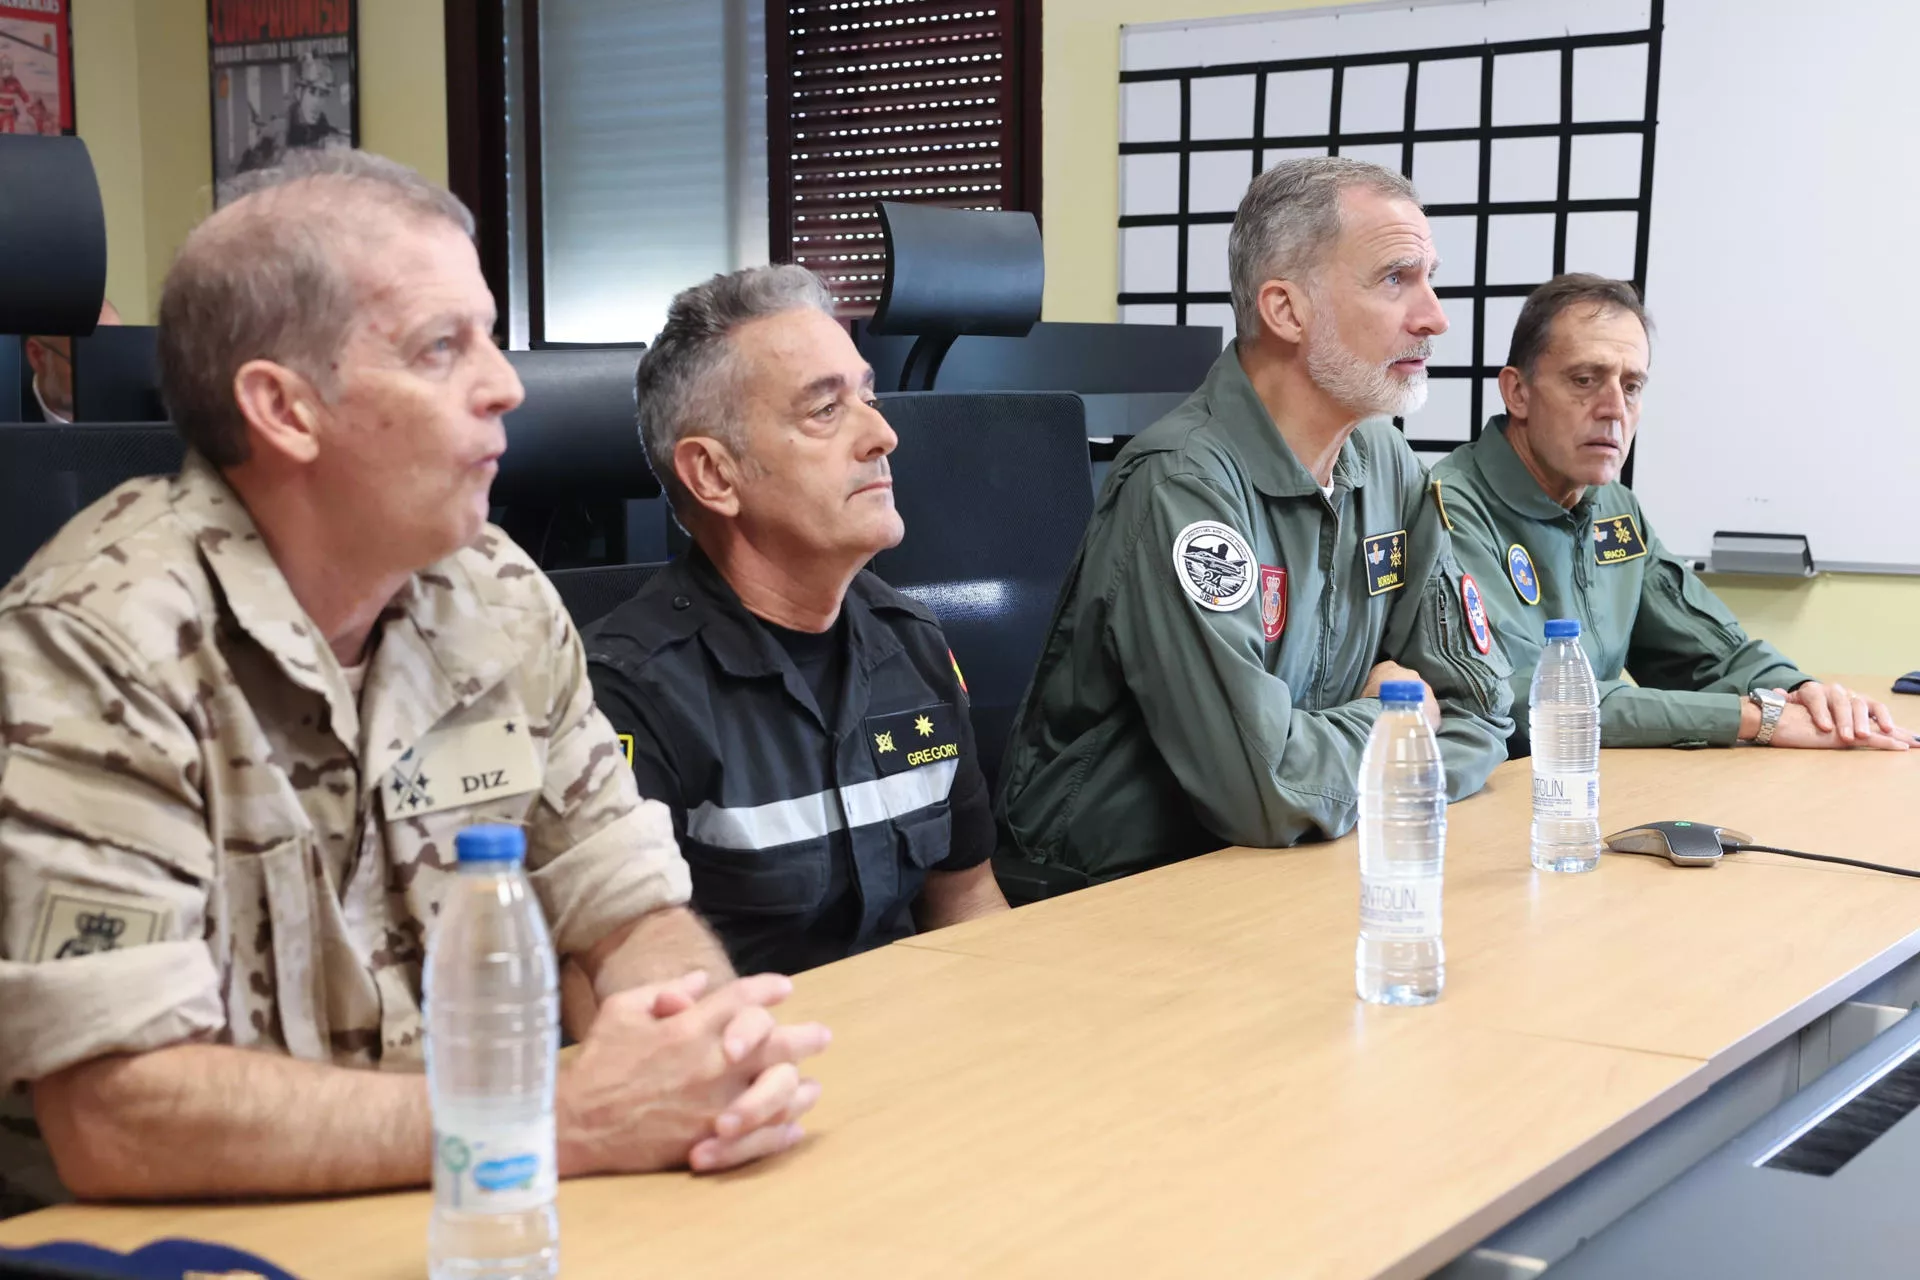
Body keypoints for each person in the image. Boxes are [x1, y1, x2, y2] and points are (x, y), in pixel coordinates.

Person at [0, 150, 828, 1216]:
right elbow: (120, 1113)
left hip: (459, 1199)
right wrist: (561, 1115)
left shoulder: (496, 594)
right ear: (285, 409)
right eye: (444, 347)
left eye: (487, 334)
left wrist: (708, 1050)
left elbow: (624, 905)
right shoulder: (93, 644)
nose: (506, 384)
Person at [995, 157, 1514, 884]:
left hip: (1296, 861)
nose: (1434, 315)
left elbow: (1484, 708)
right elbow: (1265, 792)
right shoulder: (1183, 483)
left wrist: (1348, 766)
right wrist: (1396, 722)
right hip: (1117, 894)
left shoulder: (1383, 457)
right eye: (1396, 278)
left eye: (1429, 278)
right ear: (1285, 310)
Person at [584, 265, 1008, 976]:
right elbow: (624, 985)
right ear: (714, 476)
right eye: (825, 411)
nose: (882, 435)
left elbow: (967, 899)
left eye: (869, 398)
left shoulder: (912, 643)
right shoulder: (624, 695)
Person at [1430, 273, 1913, 753]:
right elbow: (1517, 703)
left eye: (1633, 386)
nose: (1615, 409)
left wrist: (1800, 691)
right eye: (1585, 380)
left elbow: (1706, 652)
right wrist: (1752, 718)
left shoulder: (1614, 508)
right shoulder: (1451, 508)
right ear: (1518, 393)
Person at [21, 300, 121, 424]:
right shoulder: (8, 418)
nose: (103, 375)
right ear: (37, 356)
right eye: (88, 363)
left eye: (112, 361)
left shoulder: (137, 415)